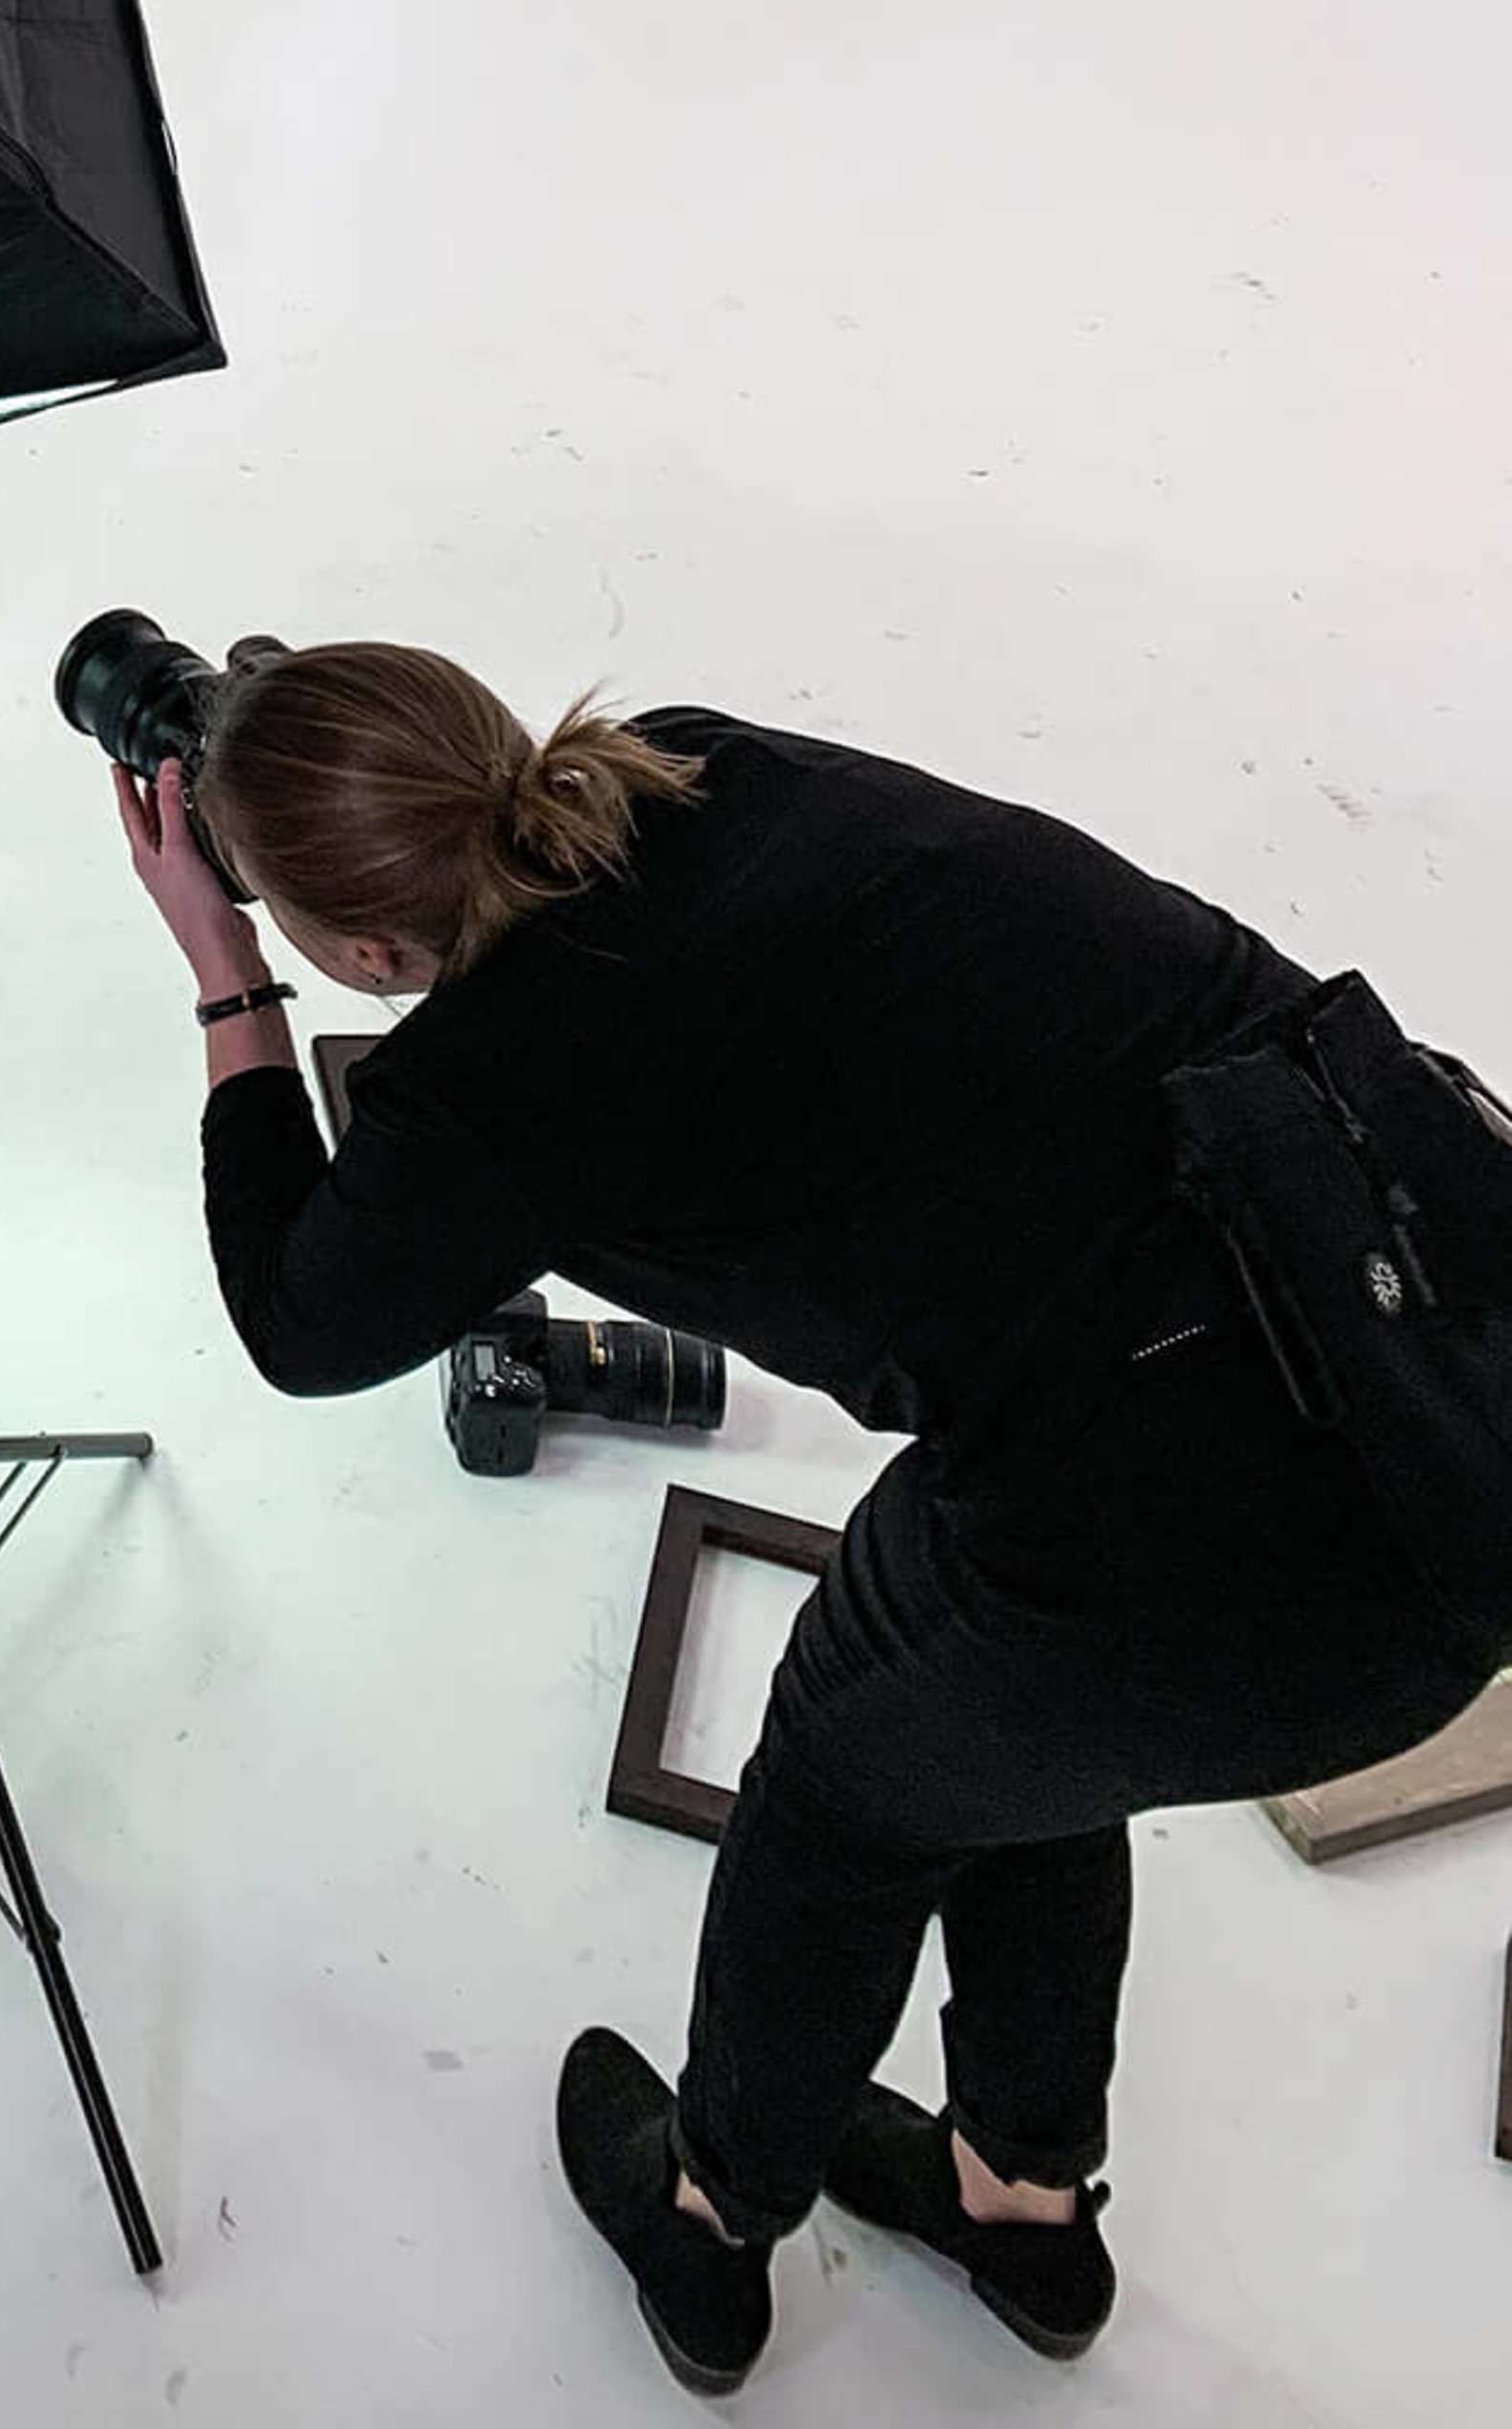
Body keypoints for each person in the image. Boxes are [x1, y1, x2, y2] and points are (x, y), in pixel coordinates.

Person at [99, 645, 1512, 2399]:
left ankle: (711, 2226)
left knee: (851, 1774)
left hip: (1246, 1562)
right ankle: (1022, 2209)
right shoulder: (694, 765)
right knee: (1000, 1744)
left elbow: (302, 1324)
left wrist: (228, 972)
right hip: (1436, 1357)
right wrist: (304, 757)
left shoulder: (500, 1083)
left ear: (369, 960)